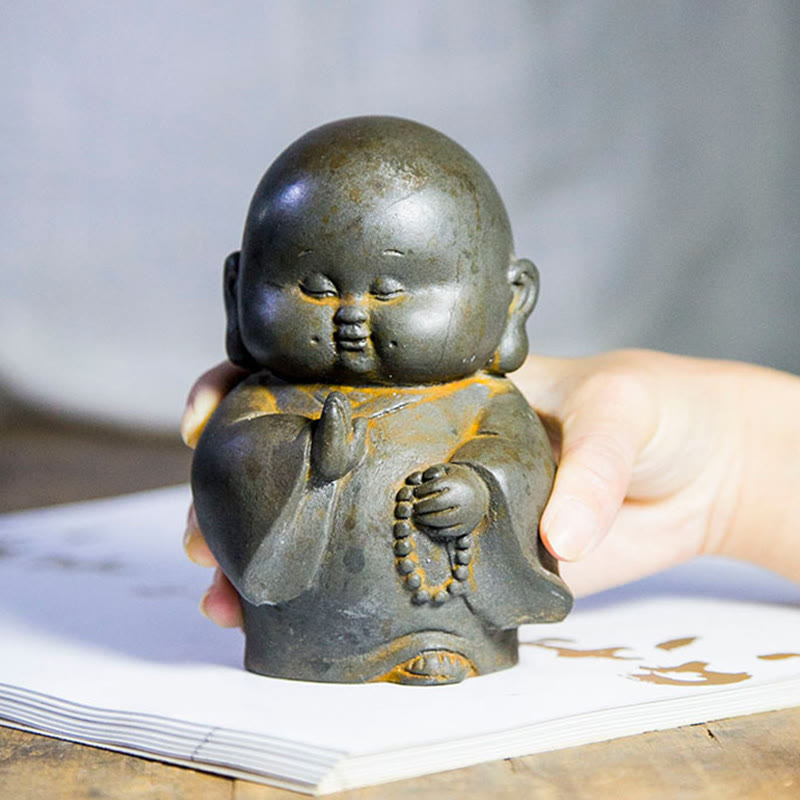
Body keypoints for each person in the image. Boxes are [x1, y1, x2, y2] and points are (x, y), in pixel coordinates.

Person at [182, 349, 800, 628]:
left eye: (394, 290)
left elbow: (514, 454)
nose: (352, 316)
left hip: (456, 630)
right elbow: (233, 461)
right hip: (305, 641)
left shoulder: (488, 397)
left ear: (512, 300)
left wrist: (479, 493)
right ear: (239, 291)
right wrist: (297, 459)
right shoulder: (263, 395)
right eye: (315, 290)